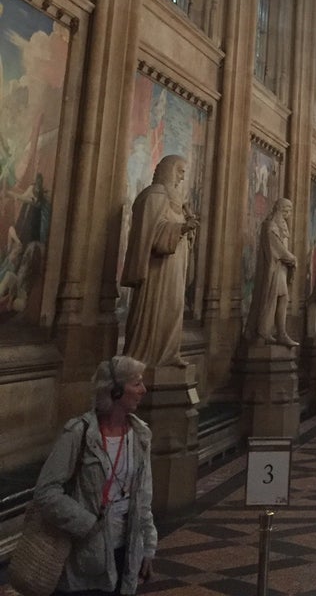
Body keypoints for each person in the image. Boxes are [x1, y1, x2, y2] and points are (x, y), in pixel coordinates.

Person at [32, 356, 156, 595]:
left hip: (126, 550)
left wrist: (148, 547)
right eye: (137, 383)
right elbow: (46, 492)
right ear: (116, 391)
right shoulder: (79, 433)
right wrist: (87, 524)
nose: (144, 390)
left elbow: (143, 497)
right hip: (85, 553)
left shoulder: (140, 435)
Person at [120, 155, 198, 368]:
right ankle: (146, 356)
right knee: (155, 309)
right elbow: (151, 234)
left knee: (173, 307)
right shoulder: (154, 196)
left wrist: (188, 228)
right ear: (169, 170)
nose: (182, 177)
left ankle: (169, 353)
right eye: (180, 171)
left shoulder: (177, 201)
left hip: (175, 267)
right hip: (157, 270)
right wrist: (181, 228)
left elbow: (175, 227)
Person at [245, 198, 298, 347]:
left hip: (281, 269)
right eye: (287, 210)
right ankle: (263, 331)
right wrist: (292, 258)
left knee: (283, 298)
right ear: (281, 209)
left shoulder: (281, 226)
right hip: (273, 269)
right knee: (271, 298)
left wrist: (289, 258)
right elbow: (278, 249)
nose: (289, 214)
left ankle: (280, 332)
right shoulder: (270, 226)